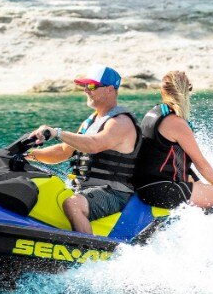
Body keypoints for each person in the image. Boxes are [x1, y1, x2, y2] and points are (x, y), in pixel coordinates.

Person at [26, 65, 140, 234]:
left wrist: (57, 132)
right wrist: (28, 154)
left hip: (114, 193)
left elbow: (94, 145)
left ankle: (88, 254)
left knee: (72, 204)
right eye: (84, 86)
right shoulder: (92, 121)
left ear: (110, 89)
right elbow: (63, 152)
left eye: (92, 86)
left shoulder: (120, 123)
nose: (86, 90)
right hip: (85, 189)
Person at [135, 70, 213, 211]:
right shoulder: (176, 123)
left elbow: (175, 162)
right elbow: (201, 163)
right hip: (163, 190)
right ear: (186, 91)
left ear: (163, 91)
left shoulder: (154, 113)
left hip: (147, 186)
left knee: (212, 192)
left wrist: (210, 188)